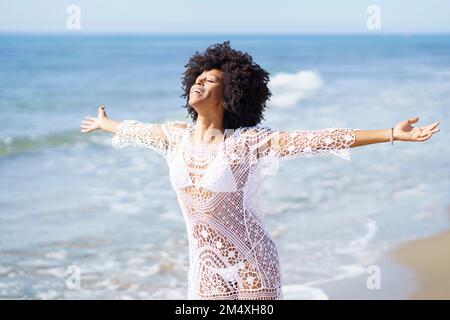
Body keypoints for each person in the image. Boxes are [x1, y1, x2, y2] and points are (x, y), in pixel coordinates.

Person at [80, 41, 440, 300]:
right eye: (197, 78)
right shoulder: (174, 137)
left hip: (253, 263)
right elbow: (135, 130)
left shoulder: (248, 143)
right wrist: (106, 123)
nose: (198, 83)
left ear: (230, 95)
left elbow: (321, 139)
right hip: (205, 267)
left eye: (210, 81)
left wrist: (390, 133)